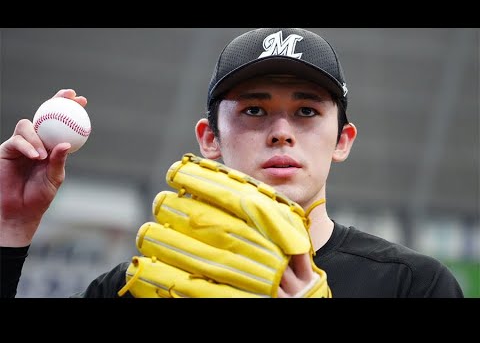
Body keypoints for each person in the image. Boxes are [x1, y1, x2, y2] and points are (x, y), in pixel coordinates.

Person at [0, 28, 464, 298]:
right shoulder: (137, 286)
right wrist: (10, 229)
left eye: (307, 111)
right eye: (254, 110)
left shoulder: (415, 285)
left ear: (342, 140)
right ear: (210, 139)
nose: (281, 130)